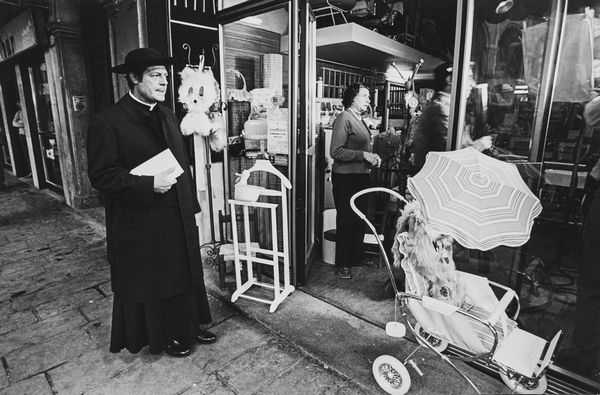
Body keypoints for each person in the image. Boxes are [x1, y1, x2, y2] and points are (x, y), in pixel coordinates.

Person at [86, 48, 216, 358]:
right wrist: (146, 184)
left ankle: (190, 325)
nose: (163, 82)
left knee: (187, 272)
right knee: (159, 278)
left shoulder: (168, 114)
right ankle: (168, 334)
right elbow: (102, 176)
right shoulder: (108, 121)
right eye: (155, 75)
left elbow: (182, 163)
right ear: (133, 78)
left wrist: (191, 206)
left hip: (178, 214)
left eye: (166, 77)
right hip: (143, 219)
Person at [330, 83, 381, 280]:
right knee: (346, 218)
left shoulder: (360, 119)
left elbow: (363, 149)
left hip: (360, 176)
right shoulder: (344, 118)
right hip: (345, 177)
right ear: (353, 98)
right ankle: (342, 263)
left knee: (360, 218)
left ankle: (356, 258)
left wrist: (372, 157)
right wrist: (363, 155)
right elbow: (335, 151)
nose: (369, 100)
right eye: (365, 96)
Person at [410, 61, 492, 173]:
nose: (473, 84)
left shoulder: (451, 108)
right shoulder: (441, 109)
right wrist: (480, 145)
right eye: (469, 78)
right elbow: (453, 155)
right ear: (450, 80)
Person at [11, 100, 31, 176]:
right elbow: (14, 123)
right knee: (26, 153)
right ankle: (30, 171)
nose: (19, 104)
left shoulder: (30, 110)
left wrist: (21, 123)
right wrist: (24, 124)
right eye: (18, 103)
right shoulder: (19, 112)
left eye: (20, 103)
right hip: (23, 135)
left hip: (31, 135)